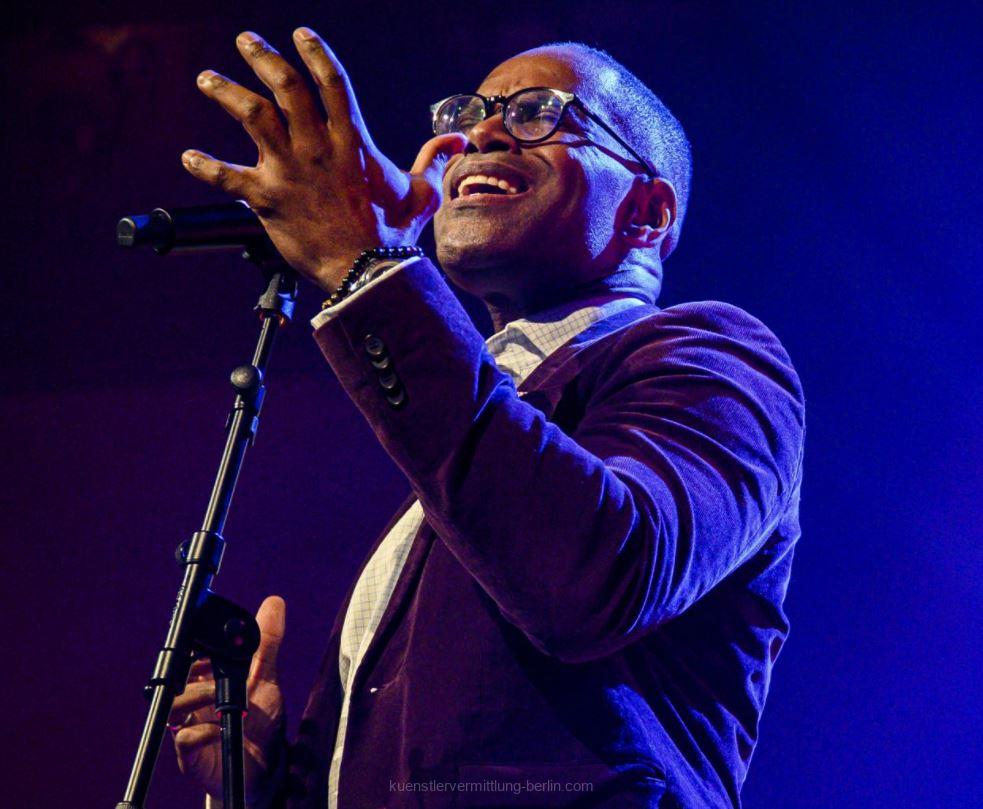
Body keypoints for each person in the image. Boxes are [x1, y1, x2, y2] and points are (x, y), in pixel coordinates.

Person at [168, 26, 805, 808]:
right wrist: (256, 782)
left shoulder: (714, 356)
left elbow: (596, 576)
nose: (482, 133)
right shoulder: (472, 431)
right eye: (467, 114)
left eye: (538, 111)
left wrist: (366, 270)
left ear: (645, 210)